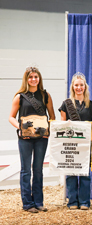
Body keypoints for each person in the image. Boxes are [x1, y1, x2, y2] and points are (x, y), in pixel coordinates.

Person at [9, 65, 55, 213]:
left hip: (42, 138)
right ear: (26, 79)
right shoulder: (20, 97)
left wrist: (48, 129)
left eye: (36, 77)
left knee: (38, 169)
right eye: (30, 77)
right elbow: (11, 117)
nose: (33, 79)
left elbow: (52, 116)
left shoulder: (46, 96)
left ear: (39, 78)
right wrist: (20, 128)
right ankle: (27, 204)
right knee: (25, 170)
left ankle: (39, 201)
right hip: (25, 138)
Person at [59, 72, 92, 210]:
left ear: (85, 87)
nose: (79, 87)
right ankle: (72, 202)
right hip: (70, 143)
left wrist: (89, 140)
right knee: (71, 173)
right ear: (72, 87)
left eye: (81, 85)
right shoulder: (66, 104)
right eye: (76, 85)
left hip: (85, 144)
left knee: (84, 173)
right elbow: (62, 123)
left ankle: (84, 202)